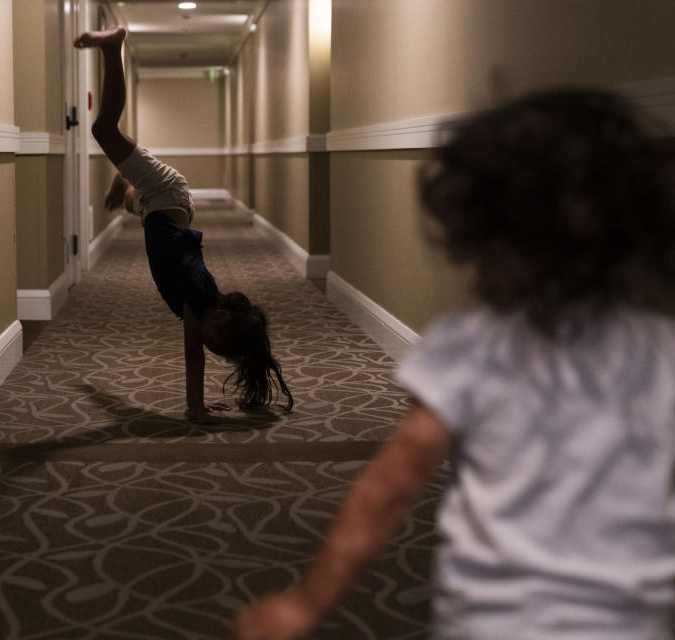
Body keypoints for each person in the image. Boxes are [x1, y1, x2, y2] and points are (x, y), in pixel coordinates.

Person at [233, 88, 675, 639]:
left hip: (494, 621)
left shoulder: (472, 347)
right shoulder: (663, 350)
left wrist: (306, 604)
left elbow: (391, 487)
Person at [74, 27, 292, 423]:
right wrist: (195, 408)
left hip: (163, 210)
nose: (205, 344)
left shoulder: (204, 302)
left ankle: (125, 187)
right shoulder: (197, 293)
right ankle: (112, 46)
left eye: (213, 347)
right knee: (103, 130)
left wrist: (200, 402)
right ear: (221, 318)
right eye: (214, 341)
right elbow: (192, 353)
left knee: (132, 204)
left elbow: (198, 347)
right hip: (167, 194)